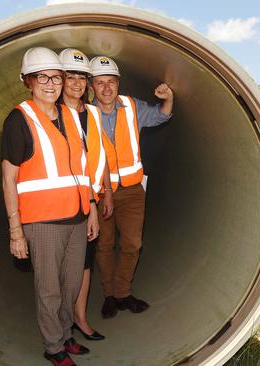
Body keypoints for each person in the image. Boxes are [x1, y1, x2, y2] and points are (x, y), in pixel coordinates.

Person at [1, 46, 98, 366]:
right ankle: (53, 346)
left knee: (71, 283)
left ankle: (66, 333)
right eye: (40, 77)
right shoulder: (20, 118)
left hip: (78, 215)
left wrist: (92, 208)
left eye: (56, 76)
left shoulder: (72, 115)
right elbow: (8, 179)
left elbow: (83, 167)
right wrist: (16, 230)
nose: (50, 83)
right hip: (42, 220)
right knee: (49, 288)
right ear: (27, 81)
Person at [88, 55, 174, 319]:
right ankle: (109, 295)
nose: (106, 88)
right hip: (101, 193)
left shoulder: (131, 107)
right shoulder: (83, 115)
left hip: (133, 191)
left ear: (118, 84)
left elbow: (161, 116)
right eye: (100, 83)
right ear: (91, 86)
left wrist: (168, 98)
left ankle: (123, 292)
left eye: (111, 82)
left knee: (132, 244)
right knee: (104, 245)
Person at [57, 48, 113, 341]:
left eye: (82, 77)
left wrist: (106, 192)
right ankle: (62, 324)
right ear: (61, 80)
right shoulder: (53, 114)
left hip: (91, 198)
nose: (77, 83)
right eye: (71, 77)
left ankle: (80, 318)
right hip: (66, 200)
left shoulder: (91, 112)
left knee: (86, 262)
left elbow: (99, 154)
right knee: (65, 265)